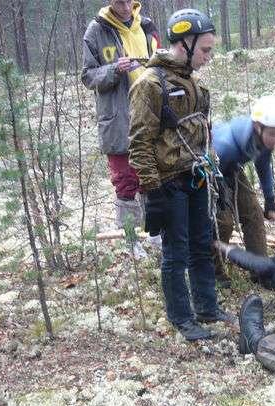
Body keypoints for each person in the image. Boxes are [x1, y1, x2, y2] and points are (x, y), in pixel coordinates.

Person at [128, 8, 234, 341]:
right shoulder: (150, 84)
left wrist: (215, 173)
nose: (208, 57)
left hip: (197, 176)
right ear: (184, 43)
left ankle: (207, 307)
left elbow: (205, 132)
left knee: (202, 245)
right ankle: (181, 318)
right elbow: (139, 142)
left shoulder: (197, 85)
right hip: (168, 182)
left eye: (210, 49)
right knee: (176, 253)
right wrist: (152, 191)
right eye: (204, 49)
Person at [82, 0, 161, 257]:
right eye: (119, 2)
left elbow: (160, 64)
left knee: (151, 177)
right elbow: (88, 76)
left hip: (149, 114)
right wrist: (115, 69)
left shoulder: (146, 26)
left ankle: (155, 232)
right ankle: (131, 239)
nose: (125, 7)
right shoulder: (96, 31)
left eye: (128, 1)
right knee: (126, 181)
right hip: (117, 119)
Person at [211, 96, 275, 284]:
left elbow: (263, 167)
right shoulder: (226, 145)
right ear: (257, 126)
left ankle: (262, 270)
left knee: (254, 214)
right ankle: (215, 273)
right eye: (272, 134)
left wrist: (270, 199)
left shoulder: (263, 141)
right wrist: (222, 194)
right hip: (212, 171)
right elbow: (210, 170)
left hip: (231, 168)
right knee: (223, 222)